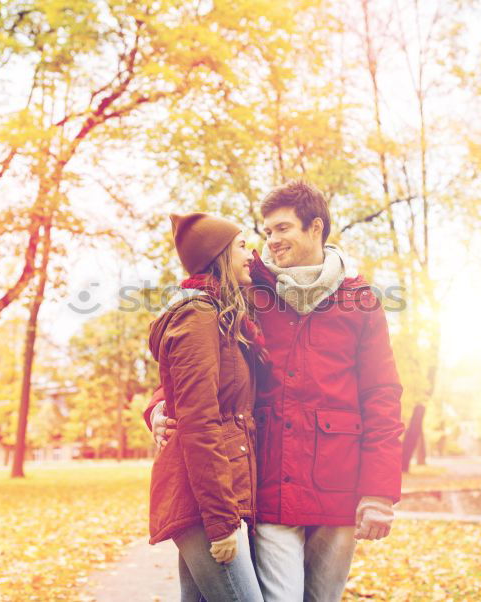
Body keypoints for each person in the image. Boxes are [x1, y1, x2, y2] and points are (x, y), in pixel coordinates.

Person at [147, 181, 404, 602]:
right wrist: (159, 406)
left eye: (282, 229)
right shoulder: (249, 290)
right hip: (270, 485)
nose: (271, 242)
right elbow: (193, 364)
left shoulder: (361, 300)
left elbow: (382, 396)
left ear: (315, 227)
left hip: (339, 482)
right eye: (266, 232)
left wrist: (378, 492)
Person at [147, 212, 266, 602]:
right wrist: (220, 522)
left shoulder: (222, 316)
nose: (251, 254)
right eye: (241, 246)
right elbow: (200, 421)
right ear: (218, 257)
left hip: (216, 495)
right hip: (203, 503)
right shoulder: (198, 316)